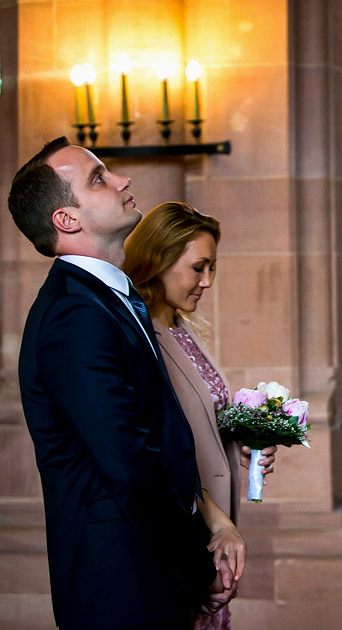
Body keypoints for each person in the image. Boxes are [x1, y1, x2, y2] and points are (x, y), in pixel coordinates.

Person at [7, 137, 237, 628]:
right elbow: (131, 466)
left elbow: (162, 438)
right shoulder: (74, 315)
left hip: (146, 569)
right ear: (67, 220)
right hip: (120, 583)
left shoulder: (108, 299)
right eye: (98, 178)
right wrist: (199, 566)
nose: (122, 180)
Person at [123, 202, 278, 630]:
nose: (207, 282)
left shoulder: (182, 327)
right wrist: (213, 520)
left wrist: (246, 449)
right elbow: (153, 444)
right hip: (184, 529)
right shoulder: (140, 337)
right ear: (159, 259)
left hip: (216, 532)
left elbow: (203, 424)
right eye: (198, 268)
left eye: (212, 268)